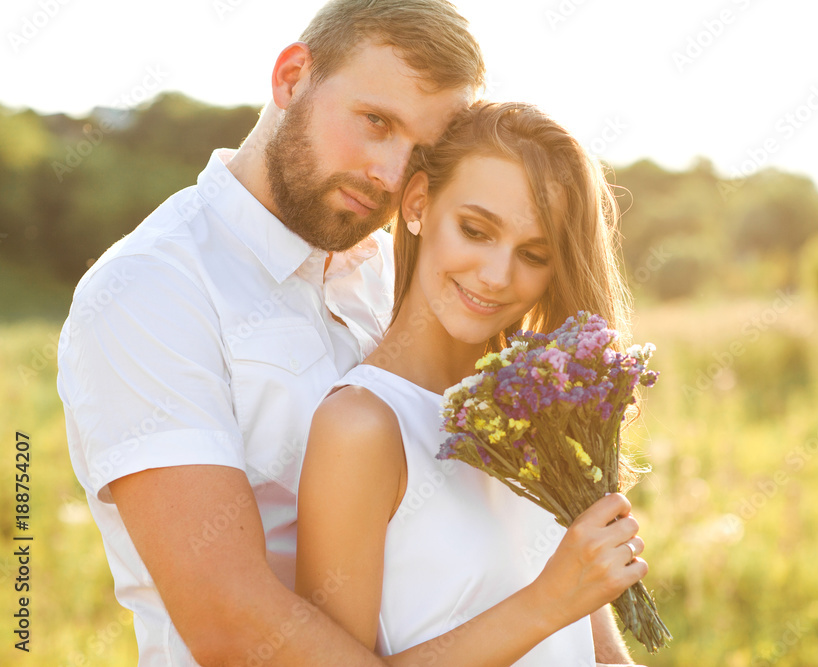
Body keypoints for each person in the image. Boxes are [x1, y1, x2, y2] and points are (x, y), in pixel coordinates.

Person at [56, 1, 484, 664]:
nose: (393, 175)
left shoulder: (402, 273)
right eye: (376, 122)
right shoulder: (151, 288)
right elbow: (232, 621)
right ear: (290, 79)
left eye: (422, 152)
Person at [296, 101, 648, 666]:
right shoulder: (361, 426)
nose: (496, 275)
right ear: (417, 203)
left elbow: (594, 649)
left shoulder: (546, 411)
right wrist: (547, 602)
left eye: (534, 254)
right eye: (475, 230)